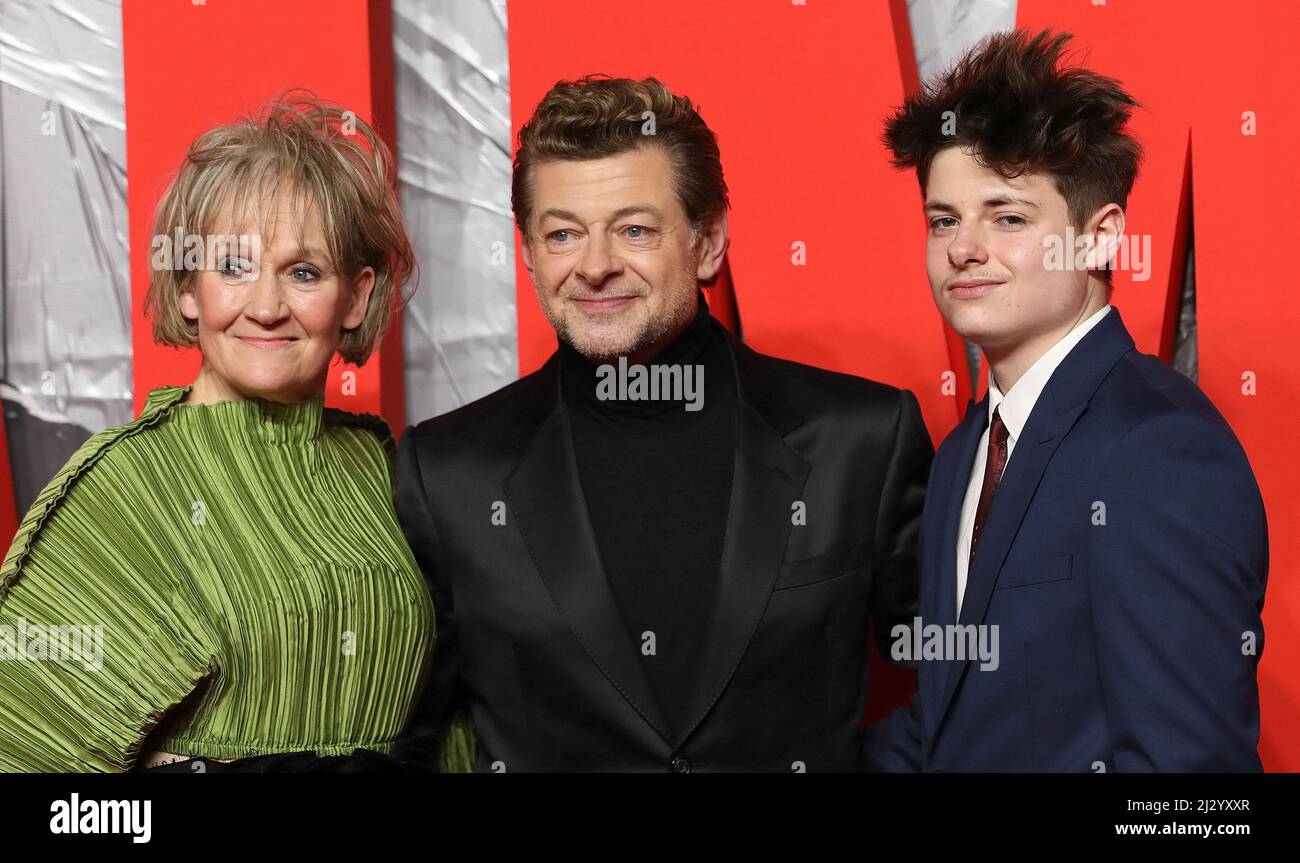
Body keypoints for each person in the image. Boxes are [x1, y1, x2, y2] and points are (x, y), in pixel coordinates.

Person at [394, 75, 932, 772]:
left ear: (708, 242)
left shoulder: (861, 439)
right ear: (527, 254)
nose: (594, 265)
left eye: (635, 229)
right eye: (562, 233)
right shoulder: (448, 472)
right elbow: (410, 740)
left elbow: (964, 688)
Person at [0, 93, 466, 772]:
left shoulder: (382, 468)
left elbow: (447, 719)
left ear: (356, 297)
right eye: (234, 267)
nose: (268, 306)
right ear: (189, 288)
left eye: (303, 272)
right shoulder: (127, 488)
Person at [863, 30, 1268, 772]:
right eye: (944, 219)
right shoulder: (964, 454)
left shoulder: (1158, 447)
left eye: (1008, 217)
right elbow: (950, 726)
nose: (963, 247)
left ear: (1098, 238)